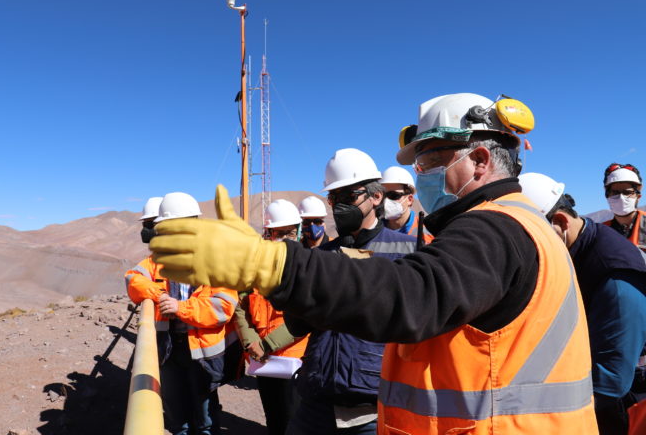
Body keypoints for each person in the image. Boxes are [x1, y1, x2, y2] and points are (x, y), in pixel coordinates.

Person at [150, 93, 599, 434]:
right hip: (330, 394)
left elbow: (413, 295)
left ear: (480, 160)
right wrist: (264, 342)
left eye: (429, 161)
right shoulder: (518, 224)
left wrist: (272, 264)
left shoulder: (495, 229)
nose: (419, 174)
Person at [285, 148, 416, 435]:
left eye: (349, 197)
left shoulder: (410, 250)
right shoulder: (323, 254)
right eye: (334, 198)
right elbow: (298, 324)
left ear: (376, 196)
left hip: (372, 407)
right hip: (316, 399)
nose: (339, 206)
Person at [520, 172, 646, 435]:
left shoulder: (614, 276)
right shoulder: (576, 245)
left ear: (560, 222)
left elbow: (611, 379)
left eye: (530, 238)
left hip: (619, 405)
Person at [124, 192, 241, 435]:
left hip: (202, 352)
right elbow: (133, 279)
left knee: (205, 415)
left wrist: (180, 308)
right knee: (176, 411)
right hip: (169, 347)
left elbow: (223, 307)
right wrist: (158, 296)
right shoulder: (157, 260)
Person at [234, 198, 309, 435]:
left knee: (295, 420)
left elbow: (306, 317)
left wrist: (265, 345)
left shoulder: (308, 270)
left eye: (289, 232)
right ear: (268, 232)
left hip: (296, 363)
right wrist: (251, 342)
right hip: (263, 361)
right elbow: (241, 308)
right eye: (278, 232)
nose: (284, 238)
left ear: (297, 232)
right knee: (274, 418)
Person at [379, 166, 432, 244]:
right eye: (383, 196)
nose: (386, 201)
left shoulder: (428, 233)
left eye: (393, 195)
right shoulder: (373, 230)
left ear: (410, 199)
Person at [602, 164, 646, 250]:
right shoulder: (602, 232)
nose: (621, 198)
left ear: (638, 197)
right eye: (615, 193)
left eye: (627, 193)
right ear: (607, 196)